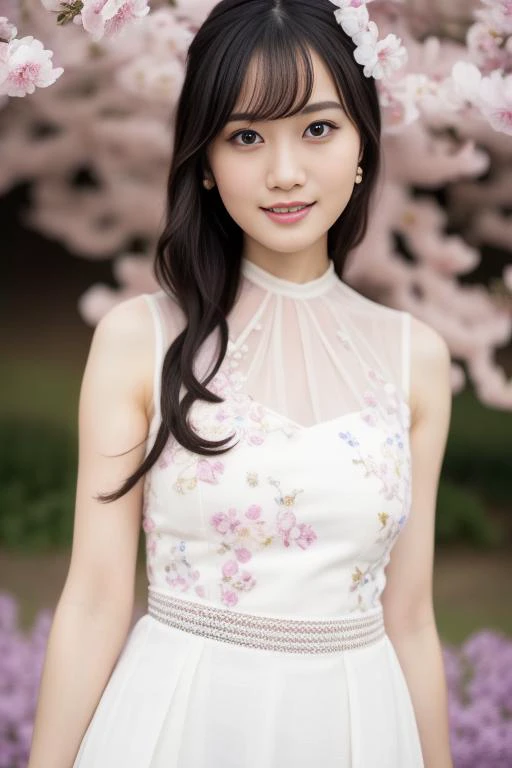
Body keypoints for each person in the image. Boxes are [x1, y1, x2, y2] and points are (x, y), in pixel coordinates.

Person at [27, 1, 454, 766]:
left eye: (317, 129)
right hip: (181, 721)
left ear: (363, 143)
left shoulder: (413, 357)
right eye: (247, 136)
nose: (284, 172)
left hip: (358, 727)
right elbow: (94, 599)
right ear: (207, 160)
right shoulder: (140, 340)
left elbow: (413, 618)